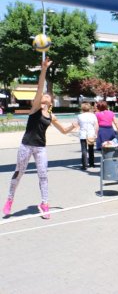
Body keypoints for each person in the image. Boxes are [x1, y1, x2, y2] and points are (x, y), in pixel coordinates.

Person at [2, 58, 76, 219]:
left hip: (40, 147)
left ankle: (45, 203)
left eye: (48, 96)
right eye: (44, 95)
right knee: (19, 173)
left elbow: (63, 131)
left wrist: (73, 126)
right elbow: (40, 87)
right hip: (26, 146)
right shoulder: (35, 108)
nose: (45, 96)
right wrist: (43, 70)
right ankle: (9, 199)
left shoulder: (51, 115)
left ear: (51, 101)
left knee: (43, 175)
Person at [77, 102, 99, 170]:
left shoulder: (79, 116)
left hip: (83, 133)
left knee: (84, 150)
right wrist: (96, 133)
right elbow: (96, 125)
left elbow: (78, 124)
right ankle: (92, 163)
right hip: (91, 133)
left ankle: (84, 164)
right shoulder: (93, 115)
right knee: (91, 149)